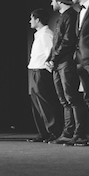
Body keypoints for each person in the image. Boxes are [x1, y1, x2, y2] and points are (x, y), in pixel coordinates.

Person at [46, 0, 89, 144]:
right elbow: (57, 43)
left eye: (53, 1)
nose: (51, 4)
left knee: (71, 98)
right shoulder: (62, 17)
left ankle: (79, 133)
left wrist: (53, 59)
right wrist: (50, 59)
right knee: (64, 100)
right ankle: (68, 132)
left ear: (59, 1)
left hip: (66, 62)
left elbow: (68, 41)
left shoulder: (71, 16)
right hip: (59, 63)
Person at [26, 9, 60, 142]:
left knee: (45, 103)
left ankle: (53, 132)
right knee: (37, 104)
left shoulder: (46, 34)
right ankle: (43, 132)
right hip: (35, 70)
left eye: (32, 18)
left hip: (41, 71)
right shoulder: (39, 34)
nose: (30, 21)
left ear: (38, 19)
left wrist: (49, 68)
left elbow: (50, 53)